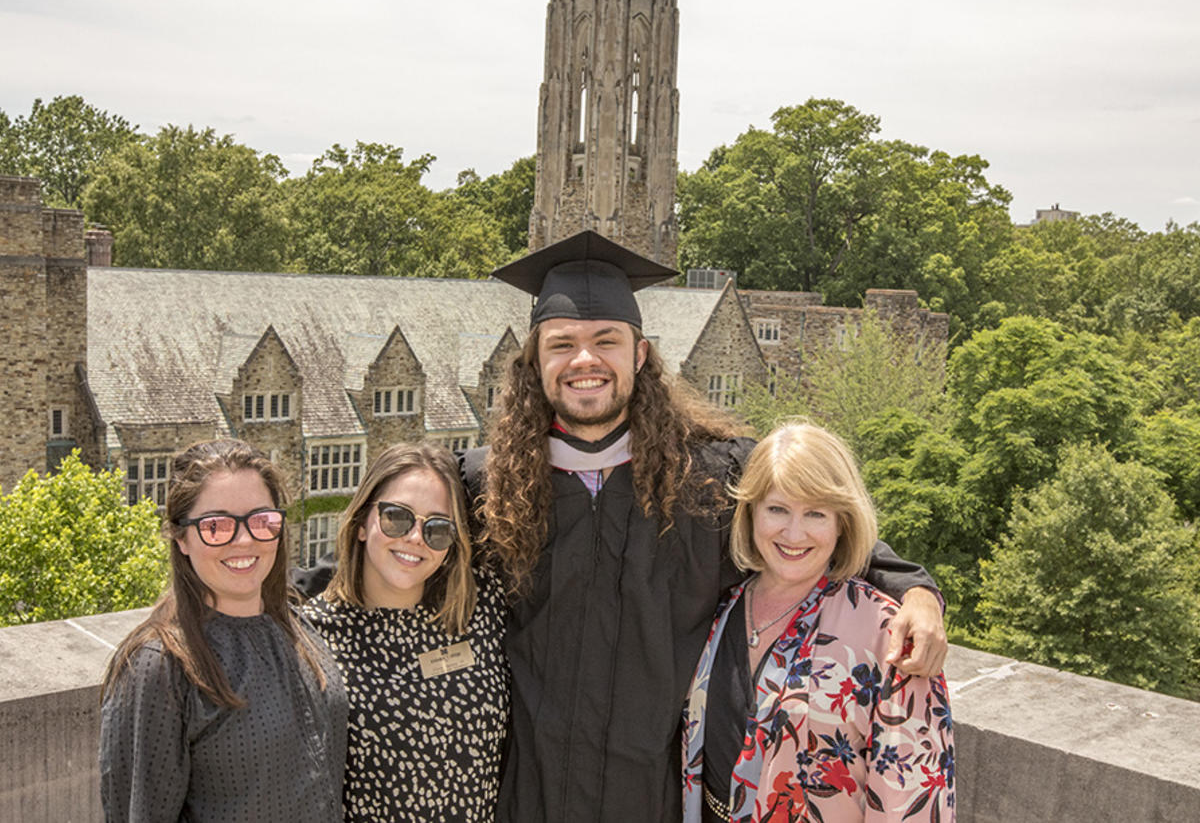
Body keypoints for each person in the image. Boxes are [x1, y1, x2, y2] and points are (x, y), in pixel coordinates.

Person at [461, 231, 949, 822]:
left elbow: (818, 529)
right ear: (535, 360)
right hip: (524, 800)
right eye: (561, 344)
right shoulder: (488, 486)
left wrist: (917, 592)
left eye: (605, 341)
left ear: (640, 355)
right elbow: (386, 553)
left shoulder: (711, 478)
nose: (584, 360)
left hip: (662, 802)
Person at [681, 423, 955, 822]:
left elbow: (914, 799)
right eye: (777, 509)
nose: (794, 533)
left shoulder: (887, 635)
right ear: (751, 511)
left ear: (842, 521)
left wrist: (922, 594)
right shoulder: (721, 605)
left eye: (815, 513)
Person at [99, 439, 346, 823]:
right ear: (181, 538)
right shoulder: (158, 668)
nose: (244, 539)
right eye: (216, 526)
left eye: (262, 520)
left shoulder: (299, 629)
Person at [302, 443, 509, 822]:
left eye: (437, 528)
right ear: (363, 522)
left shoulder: (482, 607)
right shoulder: (312, 637)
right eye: (397, 517)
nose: (415, 537)